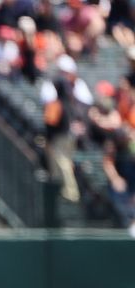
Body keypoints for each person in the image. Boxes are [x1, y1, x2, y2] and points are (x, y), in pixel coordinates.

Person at [40, 54, 93, 201]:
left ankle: (69, 191)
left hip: (60, 137)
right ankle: (65, 190)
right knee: (65, 161)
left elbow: (51, 123)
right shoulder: (70, 102)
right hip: (69, 136)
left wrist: (49, 138)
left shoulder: (57, 103)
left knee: (61, 161)